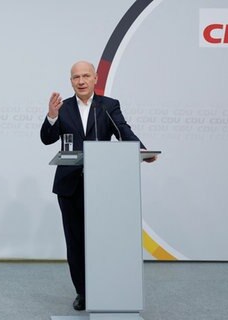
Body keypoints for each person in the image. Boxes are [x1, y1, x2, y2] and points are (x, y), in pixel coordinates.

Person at [40, 60, 156, 311]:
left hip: (102, 185)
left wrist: (142, 150)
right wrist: (51, 116)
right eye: (75, 77)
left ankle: (104, 288)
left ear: (95, 79)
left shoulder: (108, 107)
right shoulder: (63, 107)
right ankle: (83, 292)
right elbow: (47, 139)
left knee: (101, 241)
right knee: (75, 242)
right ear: (70, 81)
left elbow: (123, 131)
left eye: (85, 76)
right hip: (69, 186)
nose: (80, 81)